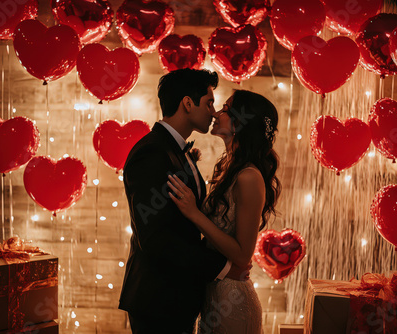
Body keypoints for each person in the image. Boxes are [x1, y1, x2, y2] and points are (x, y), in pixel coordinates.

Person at [119, 69, 250, 334]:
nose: (214, 112)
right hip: (158, 300)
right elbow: (155, 239)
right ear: (187, 103)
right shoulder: (152, 152)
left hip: (177, 298)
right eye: (209, 102)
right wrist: (223, 268)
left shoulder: (178, 150)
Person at [167, 90, 281, 334]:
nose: (217, 113)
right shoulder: (229, 167)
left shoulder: (249, 176)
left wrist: (194, 213)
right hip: (215, 294)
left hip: (233, 302)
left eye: (226, 109)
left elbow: (242, 255)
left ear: (241, 122)